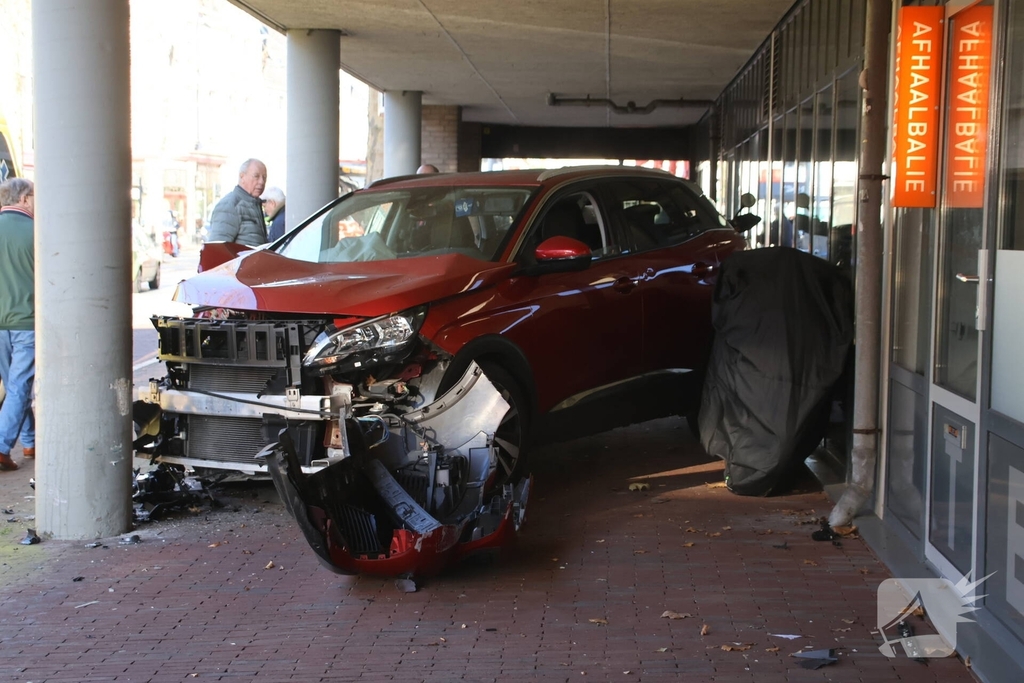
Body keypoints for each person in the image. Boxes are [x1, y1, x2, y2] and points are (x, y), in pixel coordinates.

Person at [0, 178, 36, 471]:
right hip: (26, 320)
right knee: (19, 386)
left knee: (14, 387)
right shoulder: (37, 232)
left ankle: (29, 440)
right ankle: (1, 446)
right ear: (24, 198)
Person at [205, 158, 268, 246]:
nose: (261, 182)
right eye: (256, 176)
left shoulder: (255, 205)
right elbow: (217, 250)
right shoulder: (230, 205)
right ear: (242, 176)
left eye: (264, 177)